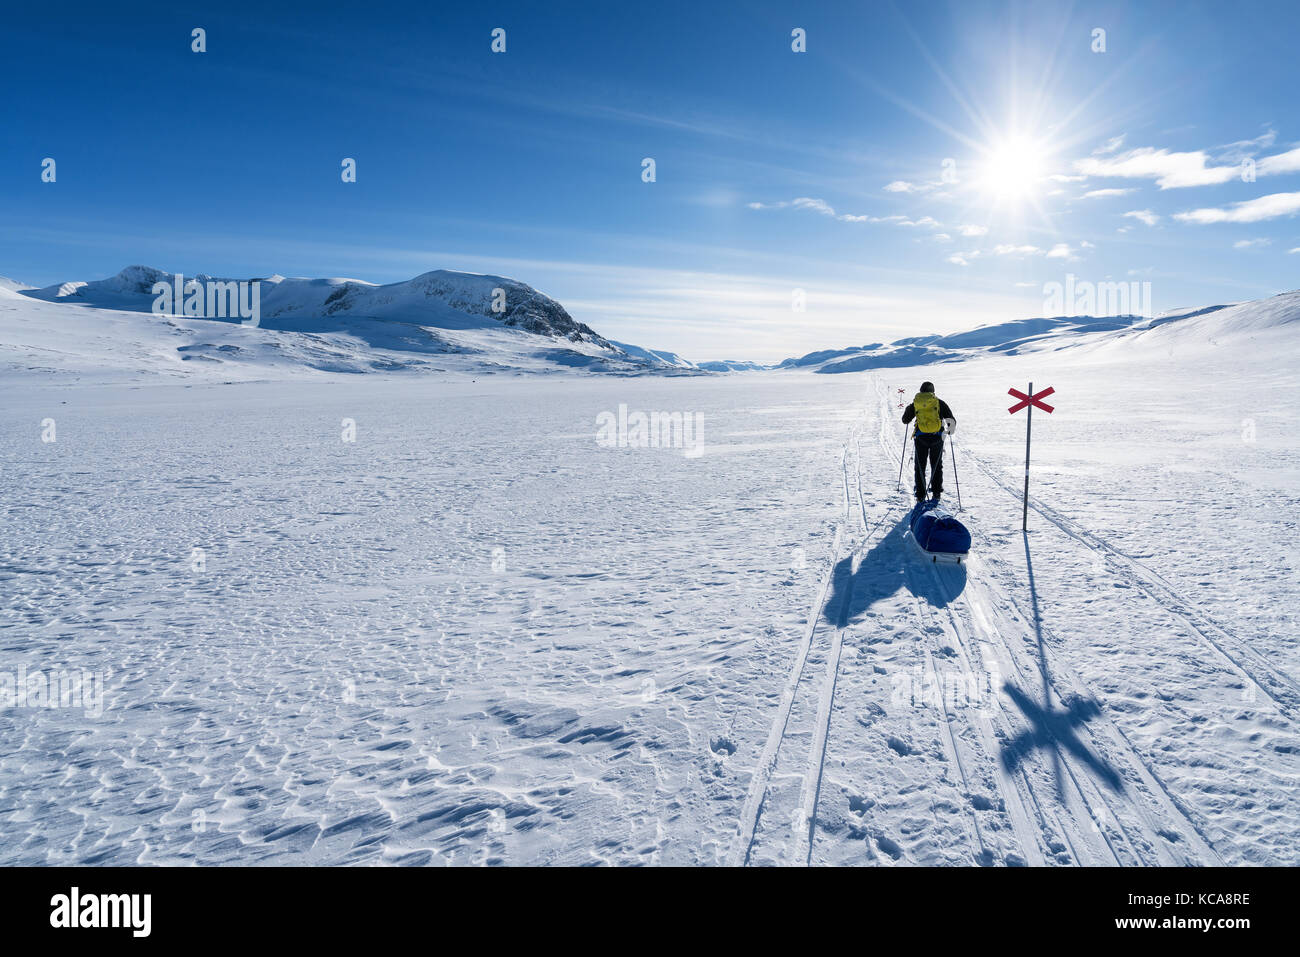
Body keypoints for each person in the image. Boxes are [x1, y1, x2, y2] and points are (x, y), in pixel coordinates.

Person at [901, 381, 956, 503]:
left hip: (920, 438)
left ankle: (920, 495)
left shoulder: (916, 403)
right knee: (936, 465)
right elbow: (951, 421)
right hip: (937, 438)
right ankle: (936, 493)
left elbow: (905, 420)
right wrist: (949, 431)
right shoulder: (939, 403)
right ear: (933, 391)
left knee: (920, 465)